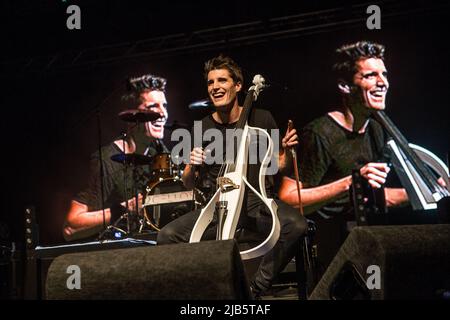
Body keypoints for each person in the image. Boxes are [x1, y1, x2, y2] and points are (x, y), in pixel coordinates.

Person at [157, 55, 307, 298]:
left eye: (221, 80)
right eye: (210, 82)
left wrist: (289, 151)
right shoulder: (203, 127)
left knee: (296, 225)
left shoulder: (262, 118)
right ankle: (205, 290)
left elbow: (280, 166)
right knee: (166, 236)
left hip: (256, 202)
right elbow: (188, 183)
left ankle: (254, 289)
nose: (215, 87)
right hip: (219, 206)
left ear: (238, 85)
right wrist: (190, 165)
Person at [278, 41, 410, 269]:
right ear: (345, 86)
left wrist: (433, 192)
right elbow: (289, 199)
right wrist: (351, 182)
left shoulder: (377, 129)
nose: (383, 83)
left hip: (364, 239)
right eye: (370, 75)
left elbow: (379, 197)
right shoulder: (320, 134)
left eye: (384, 74)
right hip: (330, 249)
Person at [63, 74, 169, 242]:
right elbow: (71, 227)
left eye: (164, 106)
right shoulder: (105, 161)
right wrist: (126, 208)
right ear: (131, 116)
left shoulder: (161, 154)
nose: (163, 113)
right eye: (153, 107)